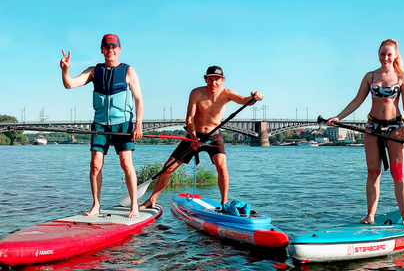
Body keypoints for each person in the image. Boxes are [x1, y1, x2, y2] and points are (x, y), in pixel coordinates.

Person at [139, 66, 262, 209]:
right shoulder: (196, 93)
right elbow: (189, 118)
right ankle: (152, 199)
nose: (213, 83)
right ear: (206, 79)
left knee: (222, 167)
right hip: (194, 135)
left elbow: (245, 100)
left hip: (214, 135)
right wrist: (193, 139)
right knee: (168, 167)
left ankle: (223, 204)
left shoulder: (228, 94)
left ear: (222, 80)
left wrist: (255, 97)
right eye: (210, 79)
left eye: (217, 80)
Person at [326, 39, 404, 225]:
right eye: (382, 54)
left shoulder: (402, 78)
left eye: (389, 54)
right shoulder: (370, 76)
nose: (385, 58)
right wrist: (339, 117)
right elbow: (357, 100)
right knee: (372, 172)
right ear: (378, 54)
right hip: (372, 128)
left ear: (396, 55)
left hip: (396, 128)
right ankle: (370, 215)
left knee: (398, 173)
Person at [60, 34, 144, 218]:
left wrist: (138, 125)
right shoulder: (93, 71)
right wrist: (65, 70)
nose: (110, 50)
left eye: (114, 47)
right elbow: (69, 84)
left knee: (126, 164)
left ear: (119, 49)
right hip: (99, 125)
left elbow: (139, 99)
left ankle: (134, 207)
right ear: (102, 50)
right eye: (107, 47)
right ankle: (96, 205)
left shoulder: (128, 71)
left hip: (122, 124)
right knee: (95, 165)